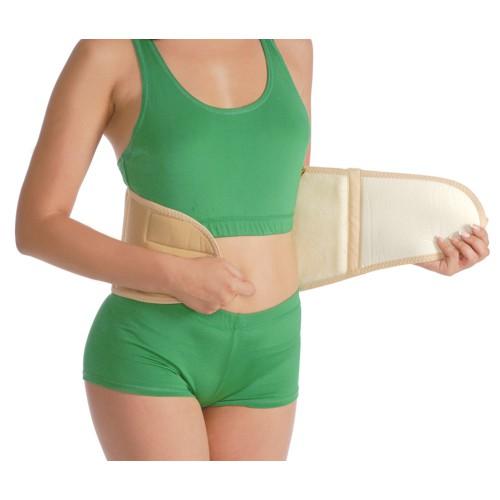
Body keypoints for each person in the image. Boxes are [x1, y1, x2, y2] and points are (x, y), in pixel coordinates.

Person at [15, 39, 490, 461]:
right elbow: (37, 226)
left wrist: (414, 245)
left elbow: (293, 201)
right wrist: (175, 275)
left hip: (271, 348)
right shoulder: (110, 53)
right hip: (155, 341)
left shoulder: (290, 46)